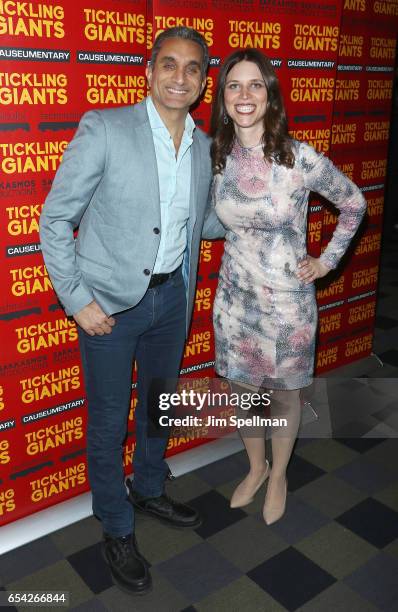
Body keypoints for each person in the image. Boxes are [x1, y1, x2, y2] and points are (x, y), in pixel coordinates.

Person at [39, 27, 225, 595]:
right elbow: (54, 219)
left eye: (192, 68)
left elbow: (207, 224)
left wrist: (261, 205)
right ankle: (116, 524)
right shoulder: (105, 128)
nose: (179, 76)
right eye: (168, 64)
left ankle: (148, 488)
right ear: (148, 72)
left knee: (158, 408)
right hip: (111, 309)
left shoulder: (202, 146)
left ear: (202, 82)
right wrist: (79, 301)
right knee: (107, 422)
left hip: (173, 298)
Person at [209, 49, 366, 525]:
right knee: (242, 392)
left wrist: (326, 262)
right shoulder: (216, 155)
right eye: (234, 86)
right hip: (234, 301)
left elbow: (354, 203)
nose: (244, 95)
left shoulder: (300, 158)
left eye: (255, 84)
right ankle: (255, 468)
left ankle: (279, 475)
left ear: (270, 95)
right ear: (222, 99)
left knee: (282, 396)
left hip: (287, 305)